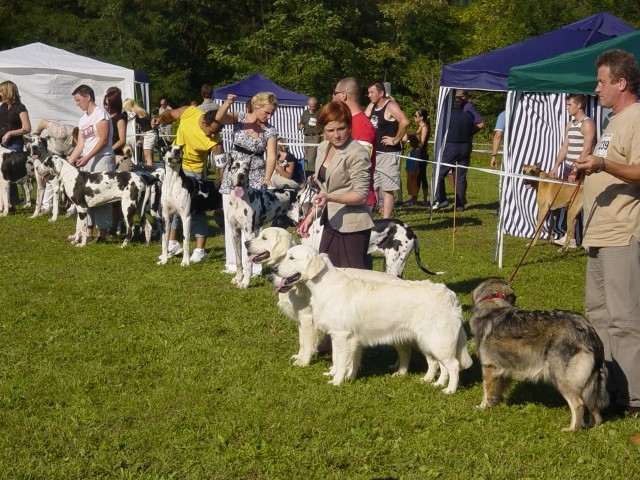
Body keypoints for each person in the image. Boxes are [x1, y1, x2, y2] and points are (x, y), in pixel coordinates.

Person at [574, 49, 640, 418]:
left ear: (621, 82)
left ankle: (634, 399)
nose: (596, 88)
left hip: (623, 233)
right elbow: (610, 166)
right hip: (598, 233)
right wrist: (590, 170)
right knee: (598, 314)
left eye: (601, 81)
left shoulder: (637, 117)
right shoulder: (613, 121)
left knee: (625, 319)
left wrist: (602, 163)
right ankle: (612, 387)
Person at [297, 100, 373, 268]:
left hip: (353, 226)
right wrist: (309, 218)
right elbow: (324, 189)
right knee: (326, 274)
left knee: (353, 283)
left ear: (350, 126)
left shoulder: (357, 153)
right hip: (330, 221)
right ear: (323, 130)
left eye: (341, 128)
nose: (336, 135)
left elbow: (361, 195)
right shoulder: (323, 147)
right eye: (330, 130)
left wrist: (329, 197)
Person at [152, 104, 224, 263]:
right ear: (204, 122)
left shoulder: (216, 140)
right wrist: (160, 120)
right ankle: (172, 243)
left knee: (196, 211)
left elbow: (221, 162)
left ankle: (200, 250)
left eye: (217, 132)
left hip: (195, 172)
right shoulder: (190, 112)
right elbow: (169, 114)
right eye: (212, 131)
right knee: (172, 208)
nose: (213, 135)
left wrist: (221, 179)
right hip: (174, 164)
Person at [216, 92, 278, 274]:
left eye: (272, 114)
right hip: (233, 175)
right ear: (256, 106)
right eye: (267, 112)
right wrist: (228, 103)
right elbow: (219, 117)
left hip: (255, 175)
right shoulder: (240, 118)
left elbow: (272, 156)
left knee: (253, 223)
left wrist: (267, 177)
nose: (269, 117)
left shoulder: (270, 130)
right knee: (232, 219)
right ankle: (233, 263)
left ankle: (255, 264)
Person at [68, 84, 115, 243]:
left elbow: (102, 140)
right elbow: (80, 144)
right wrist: (69, 162)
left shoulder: (100, 114)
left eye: (78, 100)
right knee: (85, 196)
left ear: (88, 97)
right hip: (88, 161)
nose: (77, 103)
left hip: (102, 158)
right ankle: (88, 231)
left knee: (101, 195)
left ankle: (102, 234)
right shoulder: (82, 120)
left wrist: (87, 157)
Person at [332, 77, 377, 212]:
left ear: (344, 95)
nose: (332, 98)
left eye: (335, 93)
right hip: (345, 196)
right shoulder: (349, 122)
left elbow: (360, 165)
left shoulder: (361, 125)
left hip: (358, 201)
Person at [365, 82, 409, 218]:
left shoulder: (390, 106)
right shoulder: (372, 106)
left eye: (372, 92)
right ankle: (376, 214)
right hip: (375, 153)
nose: (369, 95)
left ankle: (387, 221)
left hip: (388, 153)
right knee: (374, 186)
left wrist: (395, 139)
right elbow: (363, 118)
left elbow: (405, 121)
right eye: (368, 92)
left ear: (381, 93)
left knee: (387, 189)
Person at [434, 95, 474, 212]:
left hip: (451, 145)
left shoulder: (447, 116)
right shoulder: (469, 117)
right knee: (461, 176)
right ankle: (460, 204)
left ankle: (442, 199)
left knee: (439, 173)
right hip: (465, 146)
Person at [32, 119, 78, 213]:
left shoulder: (80, 142)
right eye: (79, 141)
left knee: (69, 179)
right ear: (75, 137)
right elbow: (43, 123)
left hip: (66, 155)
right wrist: (36, 135)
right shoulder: (61, 132)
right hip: (51, 151)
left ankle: (71, 208)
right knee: (50, 179)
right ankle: (47, 206)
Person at [0, 80, 32, 208]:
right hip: (2, 145)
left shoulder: (20, 107)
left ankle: (12, 201)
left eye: (1, 91)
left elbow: (27, 128)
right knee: (2, 175)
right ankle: (5, 202)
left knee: (12, 173)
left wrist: (10, 133)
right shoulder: (2, 107)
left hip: (14, 144)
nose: (0, 93)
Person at [549, 94, 596, 180]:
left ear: (579, 105)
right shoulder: (570, 124)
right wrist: (556, 167)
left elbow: (586, 150)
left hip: (580, 169)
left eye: (570, 105)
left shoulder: (587, 124)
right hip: (567, 168)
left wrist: (575, 170)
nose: (567, 108)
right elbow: (564, 148)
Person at [123, 98, 156, 166]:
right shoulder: (141, 111)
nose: (127, 110)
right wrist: (141, 139)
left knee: (148, 157)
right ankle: (152, 171)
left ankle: (149, 173)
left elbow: (128, 119)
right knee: (150, 156)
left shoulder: (136, 112)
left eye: (126, 108)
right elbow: (146, 127)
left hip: (149, 135)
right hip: (149, 134)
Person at [412, 108, 430, 205]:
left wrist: (413, 141)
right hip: (416, 153)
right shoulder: (419, 127)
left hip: (421, 155)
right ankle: (414, 198)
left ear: (421, 117)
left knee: (422, 176)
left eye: (416, 116)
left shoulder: (424, 127)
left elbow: (422, 143)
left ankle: (425, 199)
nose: (414, 117)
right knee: (416, 176)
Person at [298, 96, 319, 169]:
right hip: (306, 137)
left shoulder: (319, 113)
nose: (312, 108)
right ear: (308, 105)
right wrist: (300, 126)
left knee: (311, 159)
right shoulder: (305, 113)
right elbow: (301, 123)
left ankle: (312, 176)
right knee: (307, 158)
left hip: (314, 137)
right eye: (310, 106)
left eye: (314, 106)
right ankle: (311, 175)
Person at [404, 134, 421, 205]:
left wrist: (414, 170)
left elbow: (416, 161)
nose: (410, 143)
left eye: (411, 141)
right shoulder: (412, 150)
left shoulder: (417, 151)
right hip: (410, 170)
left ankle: (414, 200)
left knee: (414, 185)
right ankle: (412, 198)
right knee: (410, 185)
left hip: (414, 171)